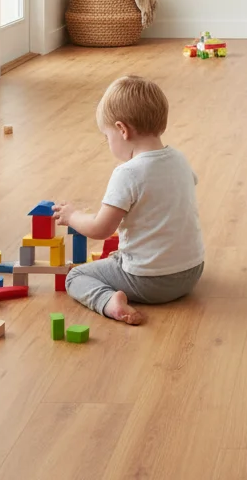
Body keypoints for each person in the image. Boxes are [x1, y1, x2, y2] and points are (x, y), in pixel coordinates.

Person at [54, 76, 204, 325]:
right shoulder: (179, 159)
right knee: (117, 256)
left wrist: (73, 216)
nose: (108, 143)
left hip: (150, 281)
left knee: (76, 276)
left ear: (122, 130)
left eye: (107, 136)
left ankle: (109, 302)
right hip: (191, 273)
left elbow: (101, 229)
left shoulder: (128, 173)